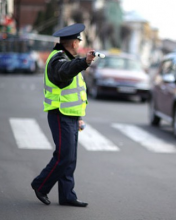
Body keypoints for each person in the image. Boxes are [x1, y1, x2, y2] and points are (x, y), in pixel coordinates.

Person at [31, 23, 95, 207]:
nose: (78, 44)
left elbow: (76, 91)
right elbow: (63, 72)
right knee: (64, 156)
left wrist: (79, 116)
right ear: (74, 43)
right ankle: (40, 185)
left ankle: (67, 195)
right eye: (78, 41)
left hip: (71, 115)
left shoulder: (66, 58)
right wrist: (83, 62)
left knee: (70, 157)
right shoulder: (57, 60)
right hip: (60, 114)